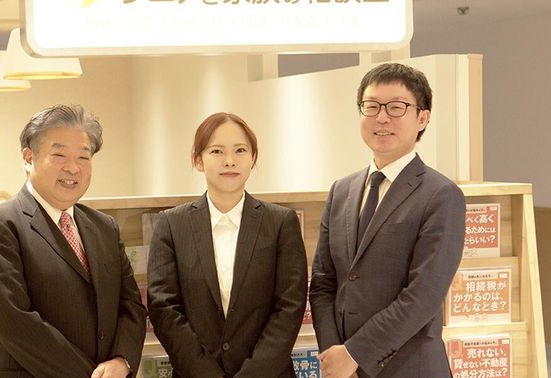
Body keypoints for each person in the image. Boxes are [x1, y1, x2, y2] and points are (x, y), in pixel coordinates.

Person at [309, 63, 466, 378]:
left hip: (410, 368)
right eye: (371, 106)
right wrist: (335, 355)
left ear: (422, 118)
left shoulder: (441, 195)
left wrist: (354, 354)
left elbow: (423, 296)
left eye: (396, 107)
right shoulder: (341, 191)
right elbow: (323, 284)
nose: (381, 117)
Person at [0, 104, 146, 378]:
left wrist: (123, 360)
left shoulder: (104, 227)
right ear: (29, 158)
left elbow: (130, 303)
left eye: (83, 157)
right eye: (59, 155)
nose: (73, 168)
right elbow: (17, 324)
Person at [147, 112, 308, 377]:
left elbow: (290, 307)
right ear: (198, 160)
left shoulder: (281, 222)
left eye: (240, 150)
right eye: (217, 151)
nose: (230, 161)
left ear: (253, 158)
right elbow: (164, 308)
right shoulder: (171, 225)